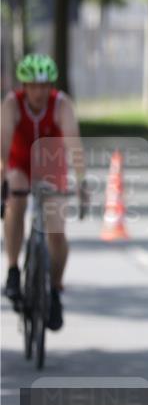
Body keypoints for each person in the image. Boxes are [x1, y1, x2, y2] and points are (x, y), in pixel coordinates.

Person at [1, 54, 87, 330]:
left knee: (57, 232)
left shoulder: (61, 104)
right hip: (20, 163)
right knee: (16, 201)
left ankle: (55, 291)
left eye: (44, 85)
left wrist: (82, 182)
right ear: (24, 86)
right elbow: (2, 145)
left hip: (51, 164)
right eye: (32, 86)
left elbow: (74, 146)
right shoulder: (12, 104)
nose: (38, 92)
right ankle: (14, 270)